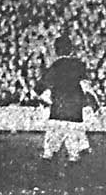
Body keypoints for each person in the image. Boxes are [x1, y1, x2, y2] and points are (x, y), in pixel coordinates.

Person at [36, 34, 100, 162]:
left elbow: (40, 88)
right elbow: (86, 86)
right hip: (75, 112)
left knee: (48, 152)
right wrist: (95, 103)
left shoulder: (55, 66)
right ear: (71, 49)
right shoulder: (79, 65)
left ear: (56, 50)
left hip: (58, 110)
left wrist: (43, 98)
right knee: (74, 153)